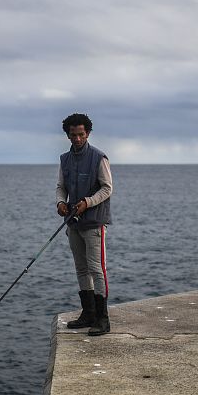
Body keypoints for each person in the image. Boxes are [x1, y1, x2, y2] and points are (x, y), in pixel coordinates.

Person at [56, 113, 113, 336]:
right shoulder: (64, 159)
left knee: (96, 269)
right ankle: (88, 314)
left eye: (81, 134)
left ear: (87, 133)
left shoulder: (99, 157)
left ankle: (103, 319)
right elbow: (61, 186)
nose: (77, 139)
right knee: (81, 269)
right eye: (73, 135)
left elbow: (107, 188)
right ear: (68, 136)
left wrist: (87, 202)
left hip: (94, 223)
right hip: (73, 223)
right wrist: (61, 202)